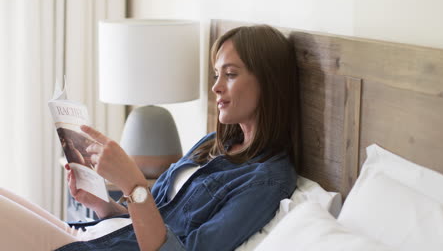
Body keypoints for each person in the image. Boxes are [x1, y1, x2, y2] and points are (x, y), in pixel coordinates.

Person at [0, 24, 300, 251]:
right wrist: (104, 205)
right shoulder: (213, 144)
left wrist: (133, 183)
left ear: (268, 82)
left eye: (230, 75)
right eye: (215, 75)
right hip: (100, 237)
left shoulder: (267, 180)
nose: (216, 87)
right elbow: (147, 221)